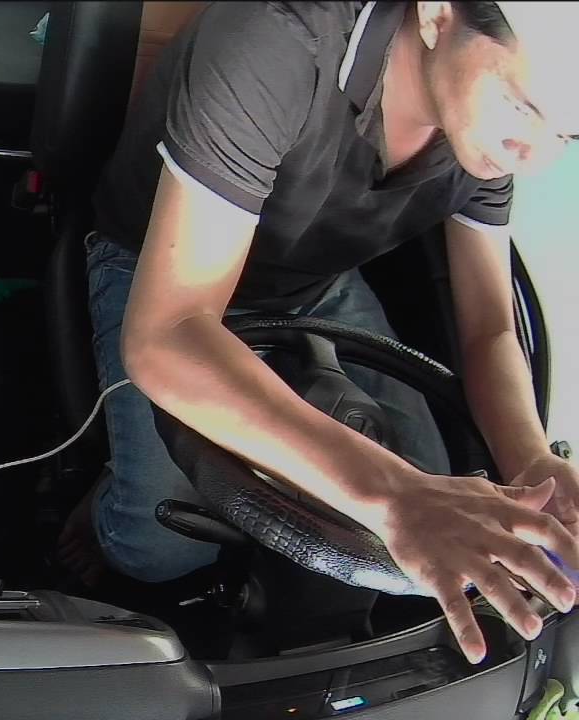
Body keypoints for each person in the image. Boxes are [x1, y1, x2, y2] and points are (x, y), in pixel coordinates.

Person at [57, 1, 579, 664]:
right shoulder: (276, 42)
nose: (535, 158)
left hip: (318, 284)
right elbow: (171, 331)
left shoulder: (483, 127)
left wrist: (532, 464)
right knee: (158, 551)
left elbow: (489, 328)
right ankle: (102, 504)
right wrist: (395, 494)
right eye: (521, 105)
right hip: (157, 270)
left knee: (440, 502)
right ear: (436, 14)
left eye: (569, 134)